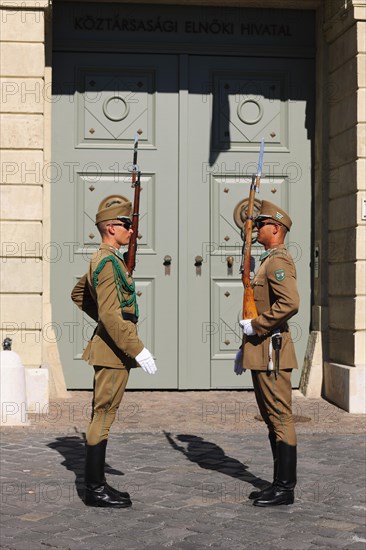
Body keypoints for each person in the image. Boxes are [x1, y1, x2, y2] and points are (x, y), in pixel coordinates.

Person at [71, 195, 157, 508]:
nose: (132, 231)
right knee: (103, 416)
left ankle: (99, 483)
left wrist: (111, 323)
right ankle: (94, 489)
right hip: (113, 351)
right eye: (126, 225)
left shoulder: (107, 259)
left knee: (104, 414)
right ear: (110, 228)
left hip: (112, 347)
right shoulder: (107, 261)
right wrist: (137, 348)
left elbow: (79, 293)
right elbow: (109, 313)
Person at [234, 199, 299, 507]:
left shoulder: (278, 261)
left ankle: (285, 487)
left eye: (261, 224)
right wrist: (244, 345)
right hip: (261, 351)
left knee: (280, 416)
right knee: (271, 418)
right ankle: (277, 483)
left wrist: (257, 326)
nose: (256, 228)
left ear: (276, 228)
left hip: (272, 351)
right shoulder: (267, 260)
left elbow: (290, 303)